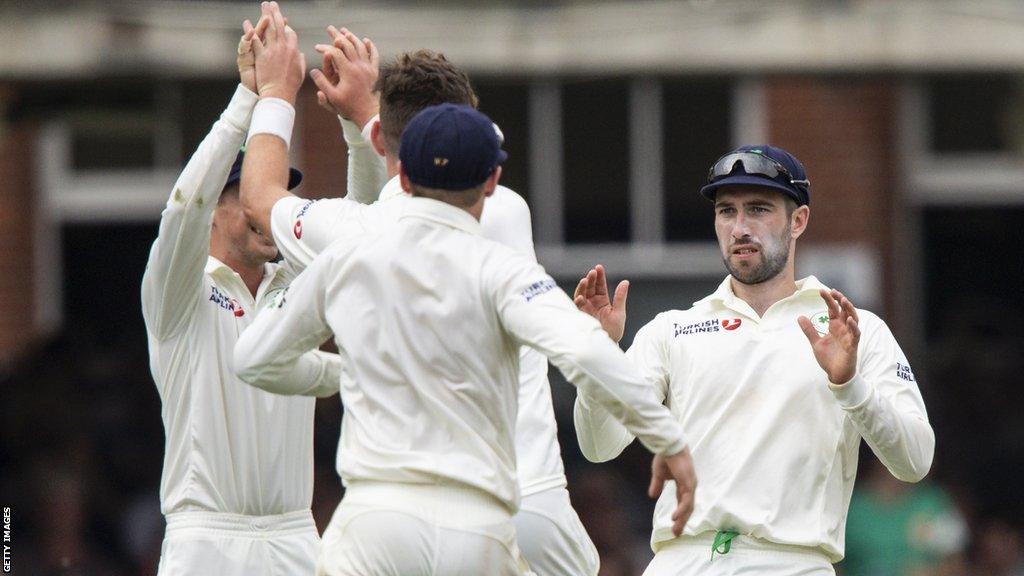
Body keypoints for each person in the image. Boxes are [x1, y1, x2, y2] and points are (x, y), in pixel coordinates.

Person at [233, 103, 698, 576]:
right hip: (475, 525)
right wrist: (670, 441)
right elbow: (584, 349)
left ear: (404, 178)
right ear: (492, 180)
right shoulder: (503, 271)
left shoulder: (346, 258)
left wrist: (344, 372)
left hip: (375, 519)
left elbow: (254, 360)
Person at [240, 3, 601, 573]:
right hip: (533, 504)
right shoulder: (506, 209)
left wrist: (276, 93)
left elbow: (260, 197)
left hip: (411, 516)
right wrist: (364, 118)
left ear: (387, 136)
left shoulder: (362, 235)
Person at [572, 145, 935, 575]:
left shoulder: (857, 330)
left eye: (758, 209)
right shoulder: (672, 329)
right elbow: (599, 446)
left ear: (798, 221)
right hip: (681, 560)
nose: (739, 228)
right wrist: (596, 357)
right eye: (726, 212)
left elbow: (915, 461)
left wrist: (850, 386)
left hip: (792, 563)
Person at [140, 15, 341, 576]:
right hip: (206, 539)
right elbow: (183, 207)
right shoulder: (178, 295)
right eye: (244, 194)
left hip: (294, 535)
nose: (262, 210)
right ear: (215, 210)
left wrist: (357, 129)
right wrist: (250, 98)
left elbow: (370, 244)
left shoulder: (296, 285)